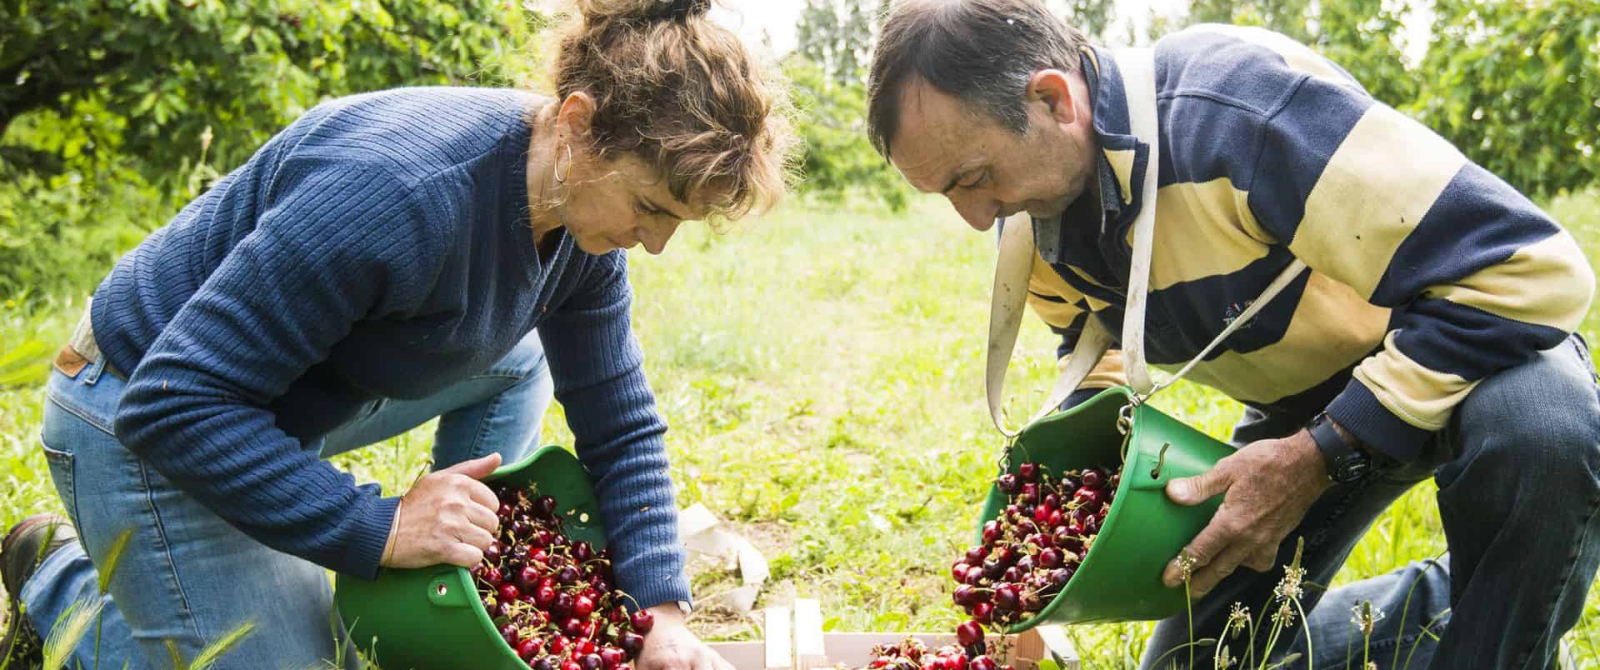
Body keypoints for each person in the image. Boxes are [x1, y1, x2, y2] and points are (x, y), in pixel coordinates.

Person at [0, 1, 793, 668]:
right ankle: (57, 578)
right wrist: (379, 526)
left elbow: (619, 422)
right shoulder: (398, 195)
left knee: (515, 357)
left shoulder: (577, 229)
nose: (654, 243)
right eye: (651, 208)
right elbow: (173, 402)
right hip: (135, 405)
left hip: (263, 398)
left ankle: (453, 573)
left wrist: (663, 611)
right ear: (580, 126)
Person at [865, 0, 1600, 668]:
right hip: (1301, 399)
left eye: (974, 176)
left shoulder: (1237, 112)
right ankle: (1451, 602)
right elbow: (1103, 357)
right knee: (1196, 662)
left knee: (1541, 433)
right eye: (947, 193)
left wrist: (1319, 455)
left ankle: (1500, 635)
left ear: (1054, 100)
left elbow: (1536, 273)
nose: (976, 216)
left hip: (1457, 343)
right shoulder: (1032, 226)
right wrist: (1060, 517)